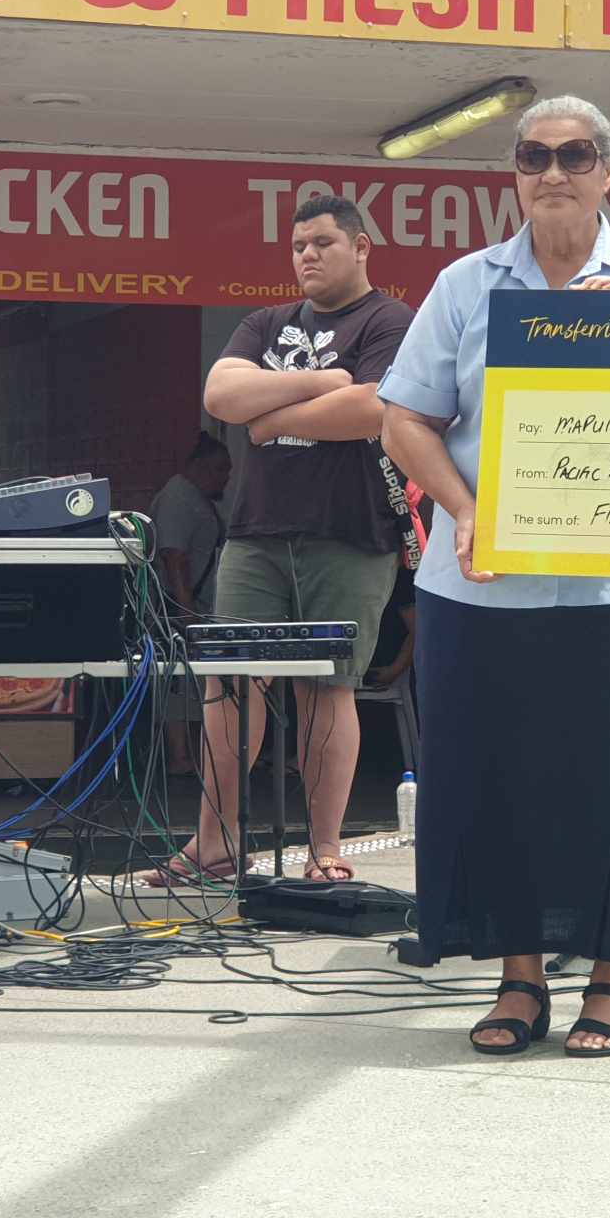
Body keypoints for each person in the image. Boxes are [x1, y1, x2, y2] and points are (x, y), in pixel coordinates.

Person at [376, 96, 610, 1058]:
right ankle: (517, 978)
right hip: (488, 585)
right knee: (500, 777)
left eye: (575, 155)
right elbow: (405, 419)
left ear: (609, 171)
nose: (554, 172)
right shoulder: (464, 285)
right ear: (514, 173)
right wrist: (466, 510)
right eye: (534, 156)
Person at [147, 195, 414, 887]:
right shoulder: (265, 321)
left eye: (323, 242)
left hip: (351, 533)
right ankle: (213, 845)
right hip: (256, 535)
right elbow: (222, 397)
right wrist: (324, 381)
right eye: (298, 246)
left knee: (328, 688)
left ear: (360, 247)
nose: (307, 256)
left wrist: (270, 418)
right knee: (231, 684)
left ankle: (324, 851)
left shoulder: (390, 320)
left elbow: (374, 408)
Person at [151, 432, 233, 775]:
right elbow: (174, 557)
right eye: (220, 469)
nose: (225, 477)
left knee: (192, 683)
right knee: (179, 682)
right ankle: (179, 756)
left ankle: (192, 753)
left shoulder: (196, 499)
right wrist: (187, 612)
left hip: (194, 606)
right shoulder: (179, 499)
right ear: (199, 466)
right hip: (180, 608)